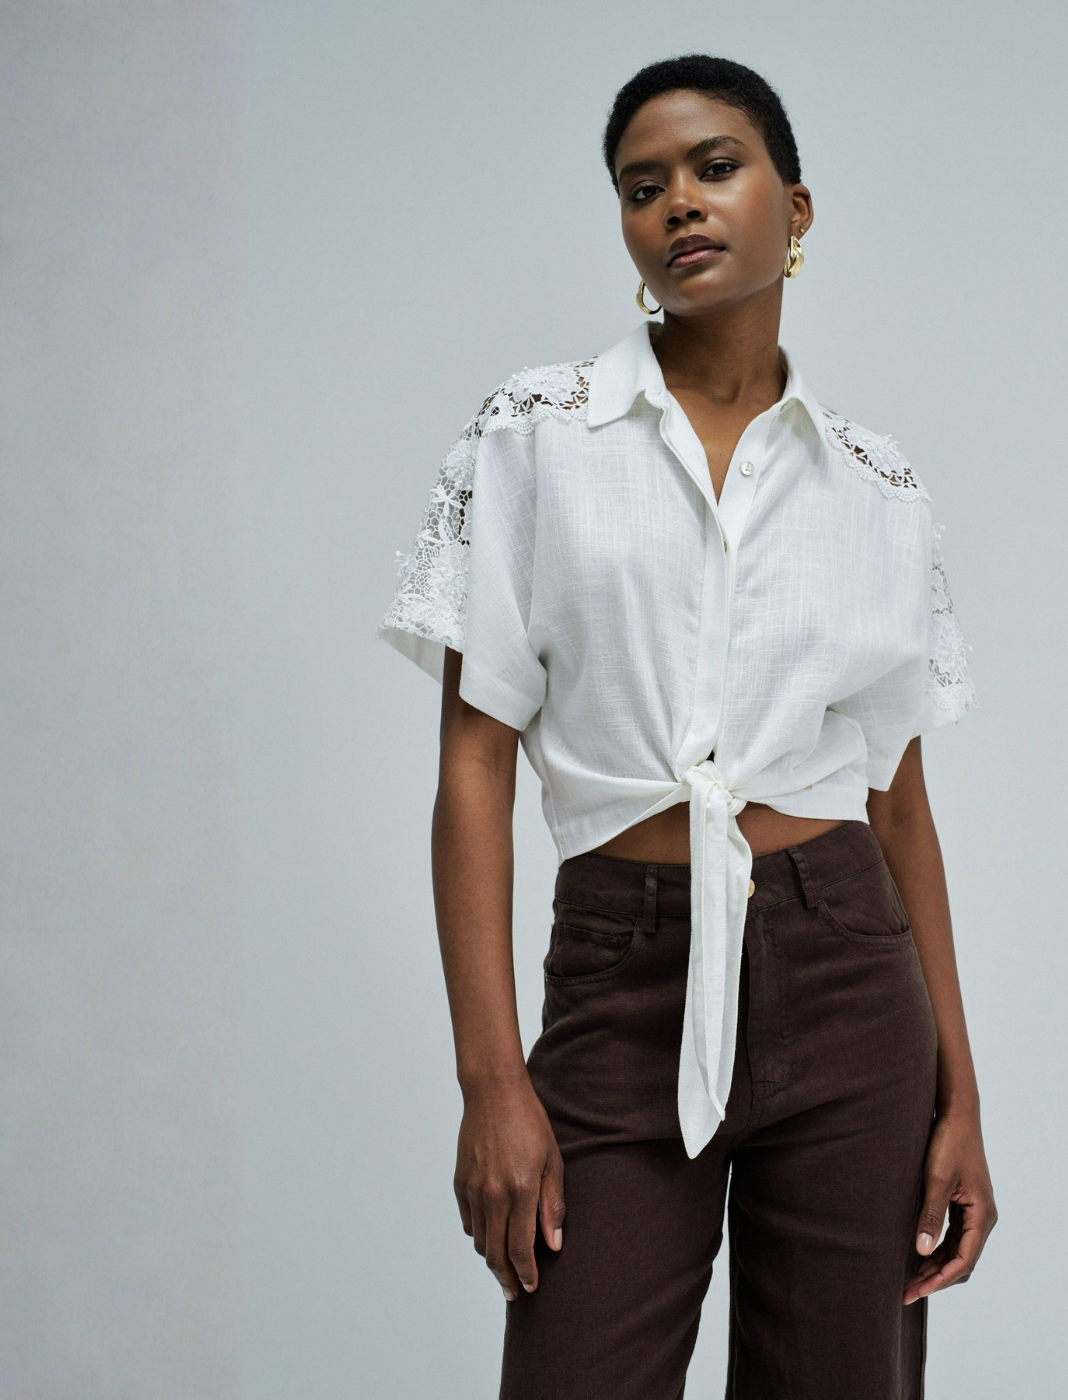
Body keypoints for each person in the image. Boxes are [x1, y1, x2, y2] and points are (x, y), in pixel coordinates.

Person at [380, 52, 997, 1400]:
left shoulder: (875, 488)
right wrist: (492, 1082)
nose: (679, 203)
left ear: (797, 208)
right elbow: (474, 764)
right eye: (641, 185)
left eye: (717, 168)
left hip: (848, 972)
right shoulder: (534, 439)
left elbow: (897, 802)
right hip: (623, 965)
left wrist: (962, 1095)